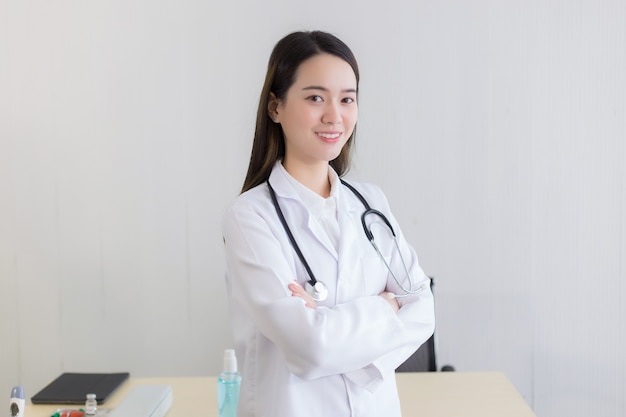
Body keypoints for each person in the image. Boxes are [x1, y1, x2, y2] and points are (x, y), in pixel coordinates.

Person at [221, 30, 435, 417]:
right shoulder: (250, 217)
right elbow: (307, 348)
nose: (334, 115)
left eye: (347, 99)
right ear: (275, 107)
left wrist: (327, 328)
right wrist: (386, 308)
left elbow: (423, 312)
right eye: (315, 97)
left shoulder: (370, 202)